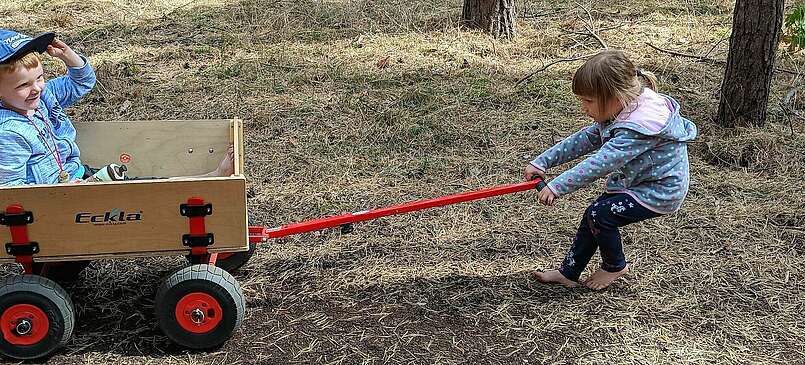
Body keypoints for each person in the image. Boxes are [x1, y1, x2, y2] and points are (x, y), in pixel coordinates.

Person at [524, 49, 697, 290]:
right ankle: (569, 272)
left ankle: (615, 265)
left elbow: (600, 163)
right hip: (636, 182)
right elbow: (585, 139)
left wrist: (557, 186)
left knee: (600, 215)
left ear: (614, 96)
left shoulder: (637, 128)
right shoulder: (623, 107)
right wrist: (543, 162)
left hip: (660, 190)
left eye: (588, 101)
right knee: (593, 216)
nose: (584, 108)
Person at [0, 29, 233, 186]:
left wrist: (69, 57)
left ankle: (209, 182)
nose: (37, 88)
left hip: (79, 176)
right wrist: (64, 194)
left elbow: (82, 82)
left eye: (39, 77)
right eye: (23, 84)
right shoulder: (9, 133)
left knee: (143, 186)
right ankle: (211, 181)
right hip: (59, 200)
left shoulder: (44, 96)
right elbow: (14, 191)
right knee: (142, 195)